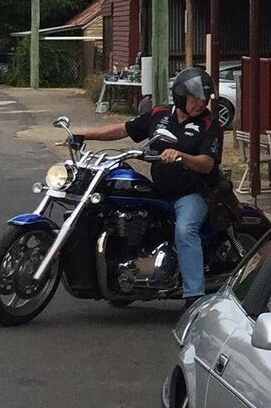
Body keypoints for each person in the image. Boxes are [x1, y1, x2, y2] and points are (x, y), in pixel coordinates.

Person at [72, 68, 223, 308]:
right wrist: (83, 135)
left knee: (184, 230)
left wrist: (182, 156)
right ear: (181, 96)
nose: (200, 103)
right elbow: (124, 129)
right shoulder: (159, 113)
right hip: (159, 191)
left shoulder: (209, 124)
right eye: (195, 97)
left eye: (204, 98)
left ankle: (194, 296)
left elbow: (207, 164)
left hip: (193, 194)